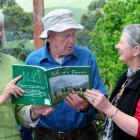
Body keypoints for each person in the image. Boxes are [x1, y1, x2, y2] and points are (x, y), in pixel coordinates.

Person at [25, 8, 106, 140]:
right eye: (66, 36)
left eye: (73, 34)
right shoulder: (33, 60)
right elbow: (23, 106)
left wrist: (86, 107)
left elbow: (102, 99)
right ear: (49, 37)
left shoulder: (87, 57)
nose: (72, 41)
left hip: (83, 134)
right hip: (46, 135)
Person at [0, 9, 52, 140]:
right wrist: (2, 98)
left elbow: (19, 112)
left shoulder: (11, 62)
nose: (0, 34)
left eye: (0, 28)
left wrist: (35, 111)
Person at [84, 24, 140, 140]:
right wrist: (98, 103)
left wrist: (107, 107)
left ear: (136, 50)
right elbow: (112, 116)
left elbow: (138, 129)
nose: (116, 46)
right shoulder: (126, 77)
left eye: (121, 42)